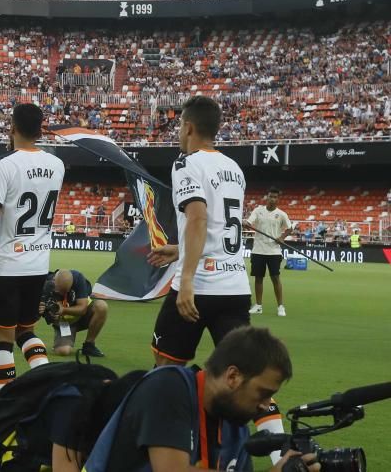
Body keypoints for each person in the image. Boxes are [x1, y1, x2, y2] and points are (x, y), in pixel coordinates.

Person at [84, 326, 319, 472]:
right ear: (233, 376)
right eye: (264, 393)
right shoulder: (169, 386)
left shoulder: (237, 430)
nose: (266, 405)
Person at [0, 103, 65, 391]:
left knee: (2, 339)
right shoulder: (57, 165)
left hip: (7, 264)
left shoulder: (2, 164)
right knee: (26, 331)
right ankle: (45, 385)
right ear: (40, 129)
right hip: (37, 264)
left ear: (12, 127)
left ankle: (5, 404)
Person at [147, 96, 250, 367]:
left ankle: (180, 408)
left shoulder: (186, 164)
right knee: (242, 376)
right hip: (236, 287)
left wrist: (188, 278)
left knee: (165, 363)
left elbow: (197, 219)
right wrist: (180, 250)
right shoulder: (234, 169)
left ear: (189, 127)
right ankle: (268, 412)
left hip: (200, 284)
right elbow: (218, 230)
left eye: (180, 125)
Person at [39, 269, 108, 358]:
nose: (63, 294)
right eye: (60, 291)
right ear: (53, 282)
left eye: (65, 291)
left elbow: (82, 308)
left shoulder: (78, 278)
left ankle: (89, 345)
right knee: (63, 351)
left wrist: (63, 310)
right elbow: (41, 311)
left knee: (101, 306)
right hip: (64, 323)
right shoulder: (45, 285)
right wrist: (50, 315)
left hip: (81, 316)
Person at [246, 187, 292, 317]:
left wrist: (282, 238)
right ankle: (259, 306)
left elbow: (290, 228)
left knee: (275, 278)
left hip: (274, 251)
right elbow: (249, 221)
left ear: (278, 199)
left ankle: (280, 306)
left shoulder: (281, 214)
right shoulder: (258, 210)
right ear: (267, 197)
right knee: (258, 278)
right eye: (270, 196)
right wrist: (246, 223)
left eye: (275, 197)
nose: (272, 199)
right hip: (258, 250)